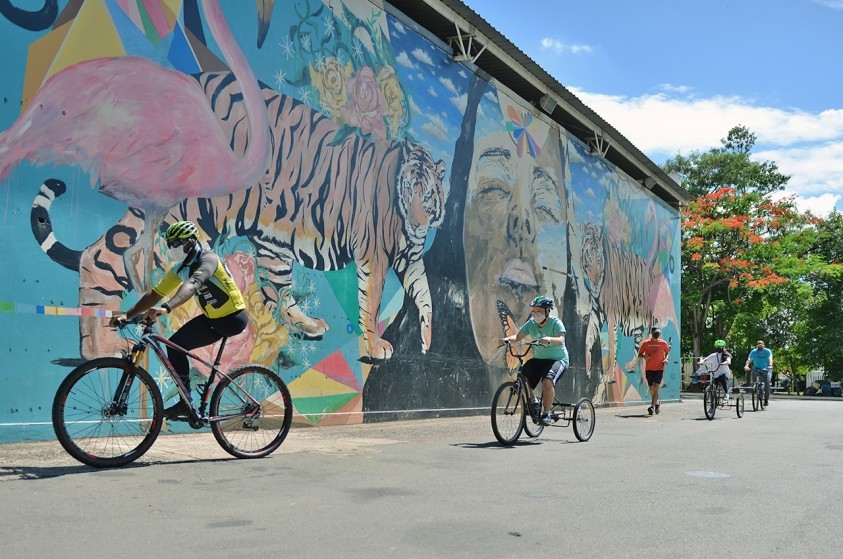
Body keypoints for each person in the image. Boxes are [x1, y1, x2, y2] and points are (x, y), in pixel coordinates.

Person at [109, 220, 248, 418]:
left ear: (190, 242)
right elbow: (155, 294)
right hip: (211, 320)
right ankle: (186, 402)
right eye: (169, 244)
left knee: (177, 346)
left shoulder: (208, 259)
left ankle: (190, 400)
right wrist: (128, 314)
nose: (171, 248)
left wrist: (166, 308)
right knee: (174, 346)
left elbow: (192, 285)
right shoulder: (180, 268)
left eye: (175, 243)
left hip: (232, 318)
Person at [501, 296, 569, 425]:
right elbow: (517, 337)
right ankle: (533, 400)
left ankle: (546, 414)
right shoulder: (531, 324)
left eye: (540, 312)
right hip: (539, 359)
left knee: (547, 382)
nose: (536, 314)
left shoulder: (555, 323)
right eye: (534, 312)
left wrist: (549, 338)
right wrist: (507, 339)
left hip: (558, 359)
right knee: (523, 375)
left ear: (547, 311)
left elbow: (561, 340)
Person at [635, 326, 670, 415]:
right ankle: (657, 403)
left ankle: (652, 406)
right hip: (649, 368)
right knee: (651, 388)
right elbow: (639, 354)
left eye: (658, 333)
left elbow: (667, 352)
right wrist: (644, 356)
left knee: (656, 387)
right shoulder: (646, 343)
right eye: (655, 334)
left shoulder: (663, 343)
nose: (657, 335)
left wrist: (666, 359)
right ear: (652, 333)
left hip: (659, 368)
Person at [744, 340, 773, 406]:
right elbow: (749, 360)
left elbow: (770, 358)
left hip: (766, 369)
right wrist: (746, 366)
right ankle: (755, 387)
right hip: (756, 368)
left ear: (764, 345)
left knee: (767, 382)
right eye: (759, 345)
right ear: (757, 346)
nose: (760, 347)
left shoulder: (767, 351)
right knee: (753, 375)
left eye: (761, 345)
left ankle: (766, 399)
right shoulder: (754, 351)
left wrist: (770, 365)